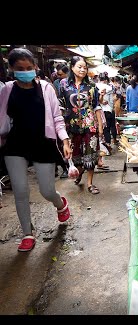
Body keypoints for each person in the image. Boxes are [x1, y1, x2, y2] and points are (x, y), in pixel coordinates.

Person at [0, 48, 72, 252]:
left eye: (29, 68)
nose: (24, 71)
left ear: (35, 68)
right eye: (19, 68)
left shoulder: (47, 89)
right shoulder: (6, 89)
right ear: (11, 69)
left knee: (47, 190)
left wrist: (65, 140)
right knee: (20, 190)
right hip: (15, 144)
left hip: (42, 143)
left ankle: (61, 204)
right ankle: (27, 234)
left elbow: (57, 118)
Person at [57, 55, 104, 194]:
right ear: (72, 67)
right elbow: (60, 105)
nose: (83, 70)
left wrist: (100, 127)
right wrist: (59, 125)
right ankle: (80, 172)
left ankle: (90, 184)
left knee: (90, 155)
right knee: (75, 154)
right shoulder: (64, 84)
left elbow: (96, 106)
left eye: (85, 67)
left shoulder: (91, 86)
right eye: (80, 67)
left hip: (90, 125)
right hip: (71, 126)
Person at [97, 73, 117, 147]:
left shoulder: (97, 87)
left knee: (106, 129)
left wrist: (102, 101)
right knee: (112, 126)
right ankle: (114, 139)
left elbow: (99, 101)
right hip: (111, 110)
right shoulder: (110, 88)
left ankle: (108, 144)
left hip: (103, 112)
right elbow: (111, 100)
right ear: (106, 80)